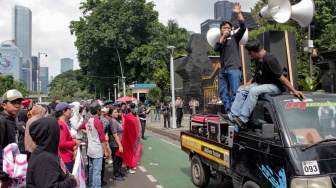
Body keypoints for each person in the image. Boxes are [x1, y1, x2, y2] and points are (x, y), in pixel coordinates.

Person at [219, 39, 306, 128]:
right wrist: (248, 83)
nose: (250, 56)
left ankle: (242, 119)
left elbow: (282, 77)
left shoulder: (269, 59)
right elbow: (256, 74)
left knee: (254, 91)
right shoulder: (259, 58)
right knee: (242, 89)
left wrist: (294, 90)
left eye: (249, 54)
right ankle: (232, 116)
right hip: (262, 84)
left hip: (275, 86)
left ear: (252, 53)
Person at [26, 117, 79, 188]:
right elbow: (50, 186)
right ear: (50, 134)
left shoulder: (46, 151)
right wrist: (73, 182)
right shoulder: (45, 159)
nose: (59, 133)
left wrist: (67, 176)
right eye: (57, 130)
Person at [214, 2, 246, 113]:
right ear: (221, 30)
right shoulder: (220, 41)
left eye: (228, 28)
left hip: (234, 69)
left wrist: (239, 13)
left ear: (231, 29)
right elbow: (216, 48)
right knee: (223, 93)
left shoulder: (235, 38)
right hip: (223, 71)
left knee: (235, 92)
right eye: (224, 28)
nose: (227, 29)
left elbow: (243, 27)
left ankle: (234, 112)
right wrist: (223, 37)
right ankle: (229, 112)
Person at [79, 101, 109, 188]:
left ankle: (92, 185)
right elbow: (102, 138)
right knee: (97, 172)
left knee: (91, 169)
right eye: (100, 110)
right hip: (97, 149)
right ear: (98, 111)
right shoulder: (98, 122)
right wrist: (106, 151)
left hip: (90, 149)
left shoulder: (89, 120)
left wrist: (88, 132)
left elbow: (80, 127)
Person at [0, 89, 23, 187]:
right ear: (4, 105)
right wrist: (4, 177)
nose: (17, 106)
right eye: (13, 103)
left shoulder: (11, 121)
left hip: (11, 172)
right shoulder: (2, 122)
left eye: (19, 103)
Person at [55, 102, 80, 173]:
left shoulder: (62, 123)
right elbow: (61, 144)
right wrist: (75, 142)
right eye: (69, 109)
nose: (71, 111)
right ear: (63, 112)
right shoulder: (62, 125)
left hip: (66, 157)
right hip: (65, 159)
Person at [107, 106, 125, 180]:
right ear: (111, 114)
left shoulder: (115, 120)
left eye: (117, 112)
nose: (117, 113)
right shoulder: (113, 121)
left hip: (118, 143)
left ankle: (119, 172)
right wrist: (120, 145)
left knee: (119, 159)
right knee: (117, 160)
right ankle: (116, 174)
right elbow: (115, 134)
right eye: (115, 112)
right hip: (115, 144)